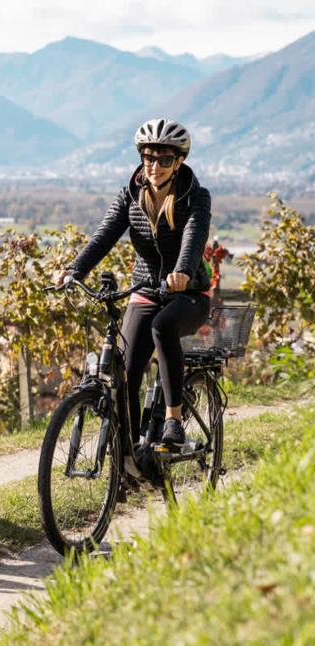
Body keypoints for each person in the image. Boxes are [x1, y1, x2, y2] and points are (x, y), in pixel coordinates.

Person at [56, 118, 212, 449]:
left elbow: (194, 238)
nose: (155, 166)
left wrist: (182, 271)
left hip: (188, 293)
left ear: (179, 161)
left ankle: (172, 419)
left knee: (162, 326)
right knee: (124, 371)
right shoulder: (129, 195)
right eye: (149, 157)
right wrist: (74, 270)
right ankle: (126, 458)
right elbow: (103, 237)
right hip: (145, 289)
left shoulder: (196, 197)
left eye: (164, 159)